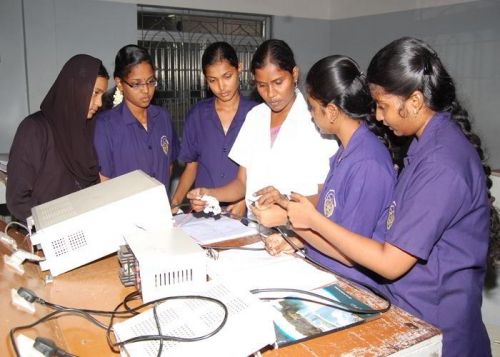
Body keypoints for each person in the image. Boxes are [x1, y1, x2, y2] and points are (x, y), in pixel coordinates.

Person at [280, 37, 500, 357]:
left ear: (413, 101)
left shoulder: (442, 163)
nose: (379, 118)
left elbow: (390, 262)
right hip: (407, 313)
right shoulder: (424, 148)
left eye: (382, 106)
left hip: (439, 330)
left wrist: (312, 223)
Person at [253, 55, 397, 288]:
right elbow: (331, 221)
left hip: (352, 286)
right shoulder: (345, 152)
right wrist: (294, 234)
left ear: (331, 111)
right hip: (325, 271)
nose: (310, 114)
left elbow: (348, 255)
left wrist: (290, 222)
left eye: (312, 107)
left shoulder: (367, 164)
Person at [187, 39, 337, 218]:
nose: (271, 94)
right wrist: (211, 194)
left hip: (297, 235)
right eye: (262, 85)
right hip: (255, 229)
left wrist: (284, 205)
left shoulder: (316, 123)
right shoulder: (255, 116)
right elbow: (242, 183)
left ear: (295, 74)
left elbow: (326, 198)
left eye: (278, 82)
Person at [7, 54, 109, 222]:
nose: (99, 103)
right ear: (74, 88)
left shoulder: (88, 129)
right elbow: (17, 199)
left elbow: (88, 185)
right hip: (45, 236)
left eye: (102, 96)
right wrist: (53, 224)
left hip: (82, 229)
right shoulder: (35, 129)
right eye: (95, 93)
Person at [170, 42, 257, 216]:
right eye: (212, 80)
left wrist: (244, 199)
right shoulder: (198, 115)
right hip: (203, 212)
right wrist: (175, 203)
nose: (221, 87)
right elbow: (191, 167)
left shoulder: (256, 114)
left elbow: (264, 169)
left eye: (227, 76)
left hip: (244, 212)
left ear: (239, 68)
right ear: (205, 78)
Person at [94, 44, 179, 191]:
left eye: (151, 81)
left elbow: (169, 165)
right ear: (120, 83)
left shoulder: (163, 117)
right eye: (136, 84)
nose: (146, 90)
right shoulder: (106, 125)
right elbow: (104, 181)